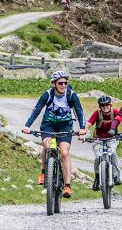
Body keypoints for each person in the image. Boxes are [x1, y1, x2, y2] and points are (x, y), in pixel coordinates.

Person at [22, 70, 85, 199]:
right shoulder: (48, 94)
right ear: (54, 84)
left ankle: (67, 185)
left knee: (64, 153)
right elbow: (37, 110)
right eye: (60, 83)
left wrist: (83, 128)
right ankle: (44, 172)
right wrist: (27, 126)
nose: (63, 85)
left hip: (65, 125)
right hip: (48, 124)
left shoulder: (71, 95)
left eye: (65, 83)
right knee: (46, 145)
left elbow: (79, 112)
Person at [82, 94, 122, 190]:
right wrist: (84, 132)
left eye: (107, 105)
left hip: (112, 138)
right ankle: (97, 178)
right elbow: (89, 124)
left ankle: (116, 176)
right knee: (97, 157)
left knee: (113, 154)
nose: (105, 107)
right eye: (103, 105)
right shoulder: (97, 113)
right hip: (98, 138)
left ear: (110, 105)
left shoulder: (115, 112)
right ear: (100, 106)